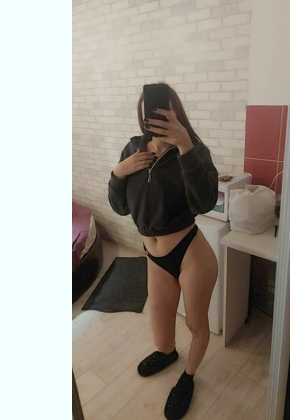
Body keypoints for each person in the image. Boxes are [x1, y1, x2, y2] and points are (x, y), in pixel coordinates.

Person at [108, 83, 219, 420]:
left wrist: (185, 147)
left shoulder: (194, 150)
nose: (156, 115)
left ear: (176, 113)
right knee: (159, 321)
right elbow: (120, 207)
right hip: (154, 257)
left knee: (196, 324)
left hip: (190, 254)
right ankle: (168, 354)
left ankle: (188, 378)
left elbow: (204, 203)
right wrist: (118, 173)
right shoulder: (133, 149)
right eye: (151, 110)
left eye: (165, 109)